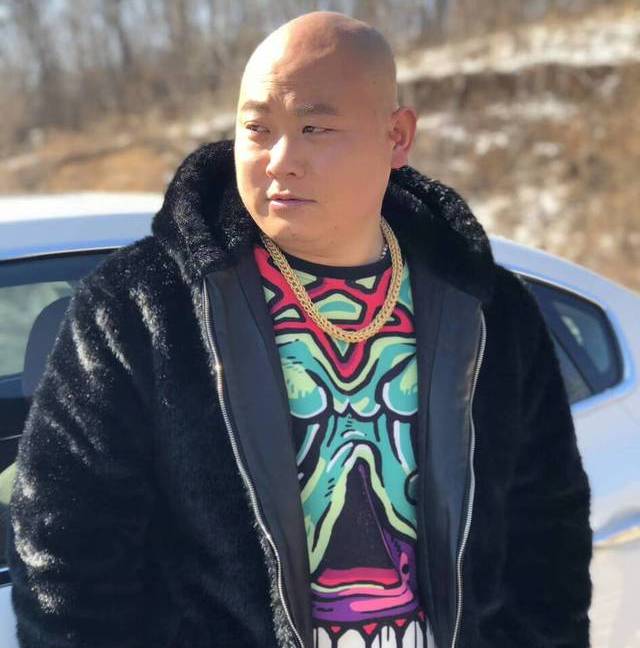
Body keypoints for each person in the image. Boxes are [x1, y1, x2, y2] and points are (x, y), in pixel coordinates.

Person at [7, 10, 592, 648]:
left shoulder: (488, 312)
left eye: (315, 127)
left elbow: (547, 543)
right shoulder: (140, 309)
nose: (281, 160)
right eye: (258, 129)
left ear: (397, 137)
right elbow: (67, 558)